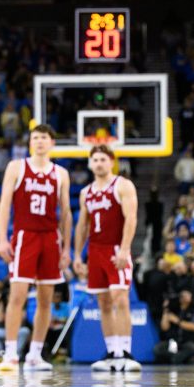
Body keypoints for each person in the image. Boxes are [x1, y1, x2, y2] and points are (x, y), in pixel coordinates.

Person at [0, 124, 73, 372]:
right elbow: (5, 205)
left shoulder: (60, 173)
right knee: (17, 296)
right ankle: (10, 354)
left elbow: (66, 213)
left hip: (51, 237)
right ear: (31, 143)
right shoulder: (16, 167)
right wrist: (2, 238)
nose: (39, 141)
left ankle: (35, 354)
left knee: (45, 299)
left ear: (52, 143)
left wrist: (67, 248)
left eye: (44, 137)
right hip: (25, 235)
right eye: (35, 137)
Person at [72, 145, 141, 372]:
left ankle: (127, 353)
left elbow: (131, 218)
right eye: (95, 159)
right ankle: (113, 352)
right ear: (90, 163)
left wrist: (124, 248)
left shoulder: (122, 185)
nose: (99, 163)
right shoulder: (86, 192)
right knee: (103, 303)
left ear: (111, 161)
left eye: (103, 159)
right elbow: (82, 225)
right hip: (95, 250)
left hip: (115, 248)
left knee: (121, 299)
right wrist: (77, 255)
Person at [153, 290, 194, 365]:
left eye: (187, 295)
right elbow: (164, 327)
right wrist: (166, 309)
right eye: (182, 295)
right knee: (157, 349)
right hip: (173, 341)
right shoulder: (174, 309)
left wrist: (177, 321)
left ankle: (175, 359)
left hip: (187, 342)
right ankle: (179, 358)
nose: (184, 297)